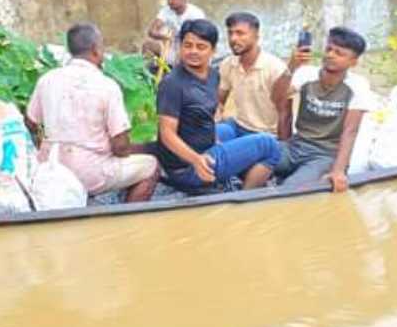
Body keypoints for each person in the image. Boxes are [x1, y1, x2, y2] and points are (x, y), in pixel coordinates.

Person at [26, 23, 158, 202]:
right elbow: (120, 146)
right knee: (151, 166)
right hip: (89, 173)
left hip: (50, 166)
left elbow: (31, 122)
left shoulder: (47, 80)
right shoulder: (106, 85)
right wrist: (138, 148)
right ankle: (128, 220)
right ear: (96, 50)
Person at [156, 19, 281, 194]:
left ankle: (237, 170)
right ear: (180, 47)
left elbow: (210, 111)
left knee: (228, 129)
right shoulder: (172, 84)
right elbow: (167, 134)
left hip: (203, 147)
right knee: (270, 145)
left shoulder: (213, 75)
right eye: (188, 45)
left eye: (201, 47)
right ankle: (244, 197)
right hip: (188, 167)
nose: (193, 51)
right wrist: (197, 160)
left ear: (213, 50)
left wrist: (213, 137)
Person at [271, 27, 376, 191]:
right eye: (328, 49)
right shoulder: (306, 74)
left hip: (324, 155)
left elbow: (350, 131)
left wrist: (339, 171)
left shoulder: (357, 85)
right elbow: (277, 98)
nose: (330, 55)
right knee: (257, 147)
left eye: (339, 53)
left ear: (353, 62)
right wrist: (291, 67)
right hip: (295, 146)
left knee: (289, 190)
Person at [216, 12, 288, 142]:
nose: (233, 39)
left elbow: (285, 112)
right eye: (230, 33)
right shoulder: (228, 64)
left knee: (223, 154)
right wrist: (215, 119)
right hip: (238, 126)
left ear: (256, 36)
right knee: (203, 136)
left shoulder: (275, 68)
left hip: (265, 135)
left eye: (240, 33)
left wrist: (283, 147)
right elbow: (219, 101)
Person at [147, 0, 206, 67]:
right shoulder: (166, 11)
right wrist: (165, 37)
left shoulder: (196, 14)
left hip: (188, 48)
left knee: (184, 53)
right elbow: (151, 31)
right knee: (148, 45)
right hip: (170, 46)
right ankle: (148, 73)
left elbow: (202, 37)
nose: (169, 2)